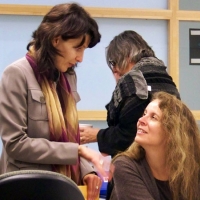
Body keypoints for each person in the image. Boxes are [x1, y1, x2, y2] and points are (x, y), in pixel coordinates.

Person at [0, 3, 104, 200]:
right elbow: (15, 144)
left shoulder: (68, 76)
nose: (80, 58)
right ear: (56, 40)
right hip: (27, 187)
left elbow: (68, 136)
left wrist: (86, 171)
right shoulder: (17, 74)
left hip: (63, 186)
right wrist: (77, 151)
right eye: (77, 48)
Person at [80, 30, 180, 199]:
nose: (114, 71)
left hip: (137, 169)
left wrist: (99, 135)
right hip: (169, 169)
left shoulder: (132, 82)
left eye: (113, 64)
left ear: (124, 57)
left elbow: (130, 135)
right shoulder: (165, 77)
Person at [109, 91, 200, 200]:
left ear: (172, 132)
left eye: (153, 117)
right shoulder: (124, 166)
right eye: (144, 114)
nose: (140, 120)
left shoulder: (193, 170)